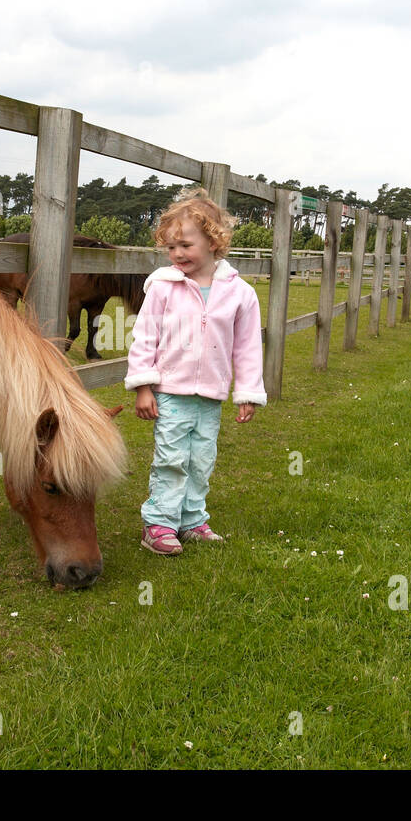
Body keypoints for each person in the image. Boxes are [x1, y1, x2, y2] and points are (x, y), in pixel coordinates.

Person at [124, 188, 267, 555]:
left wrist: (248, 392)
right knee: (171, 459)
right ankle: (158, 524)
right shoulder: (162, 288)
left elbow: (247, 347)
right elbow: (144, 338)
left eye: (185, 245)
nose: (177, 254)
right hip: (170, 393)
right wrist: (143, 386)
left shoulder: (241, 294)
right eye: (171, 247)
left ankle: (192, 520)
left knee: (201, 460)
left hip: (211, 397)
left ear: (214, 241)